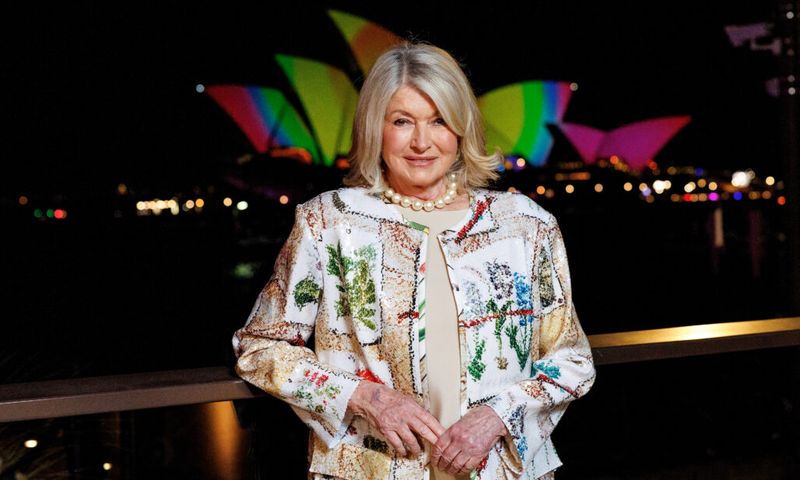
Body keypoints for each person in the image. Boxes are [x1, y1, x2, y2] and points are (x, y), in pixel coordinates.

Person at [233, 42, 596, 480]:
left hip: (503, 470)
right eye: (402, 121)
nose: (422, 142)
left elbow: (572, 360)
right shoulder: (329, 222)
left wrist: (498, 416)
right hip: (373, 469)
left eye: (439, 121)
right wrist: (363, 397)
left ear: (461, 129)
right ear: (375, 128)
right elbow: (260, 347)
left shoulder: (524, 226)